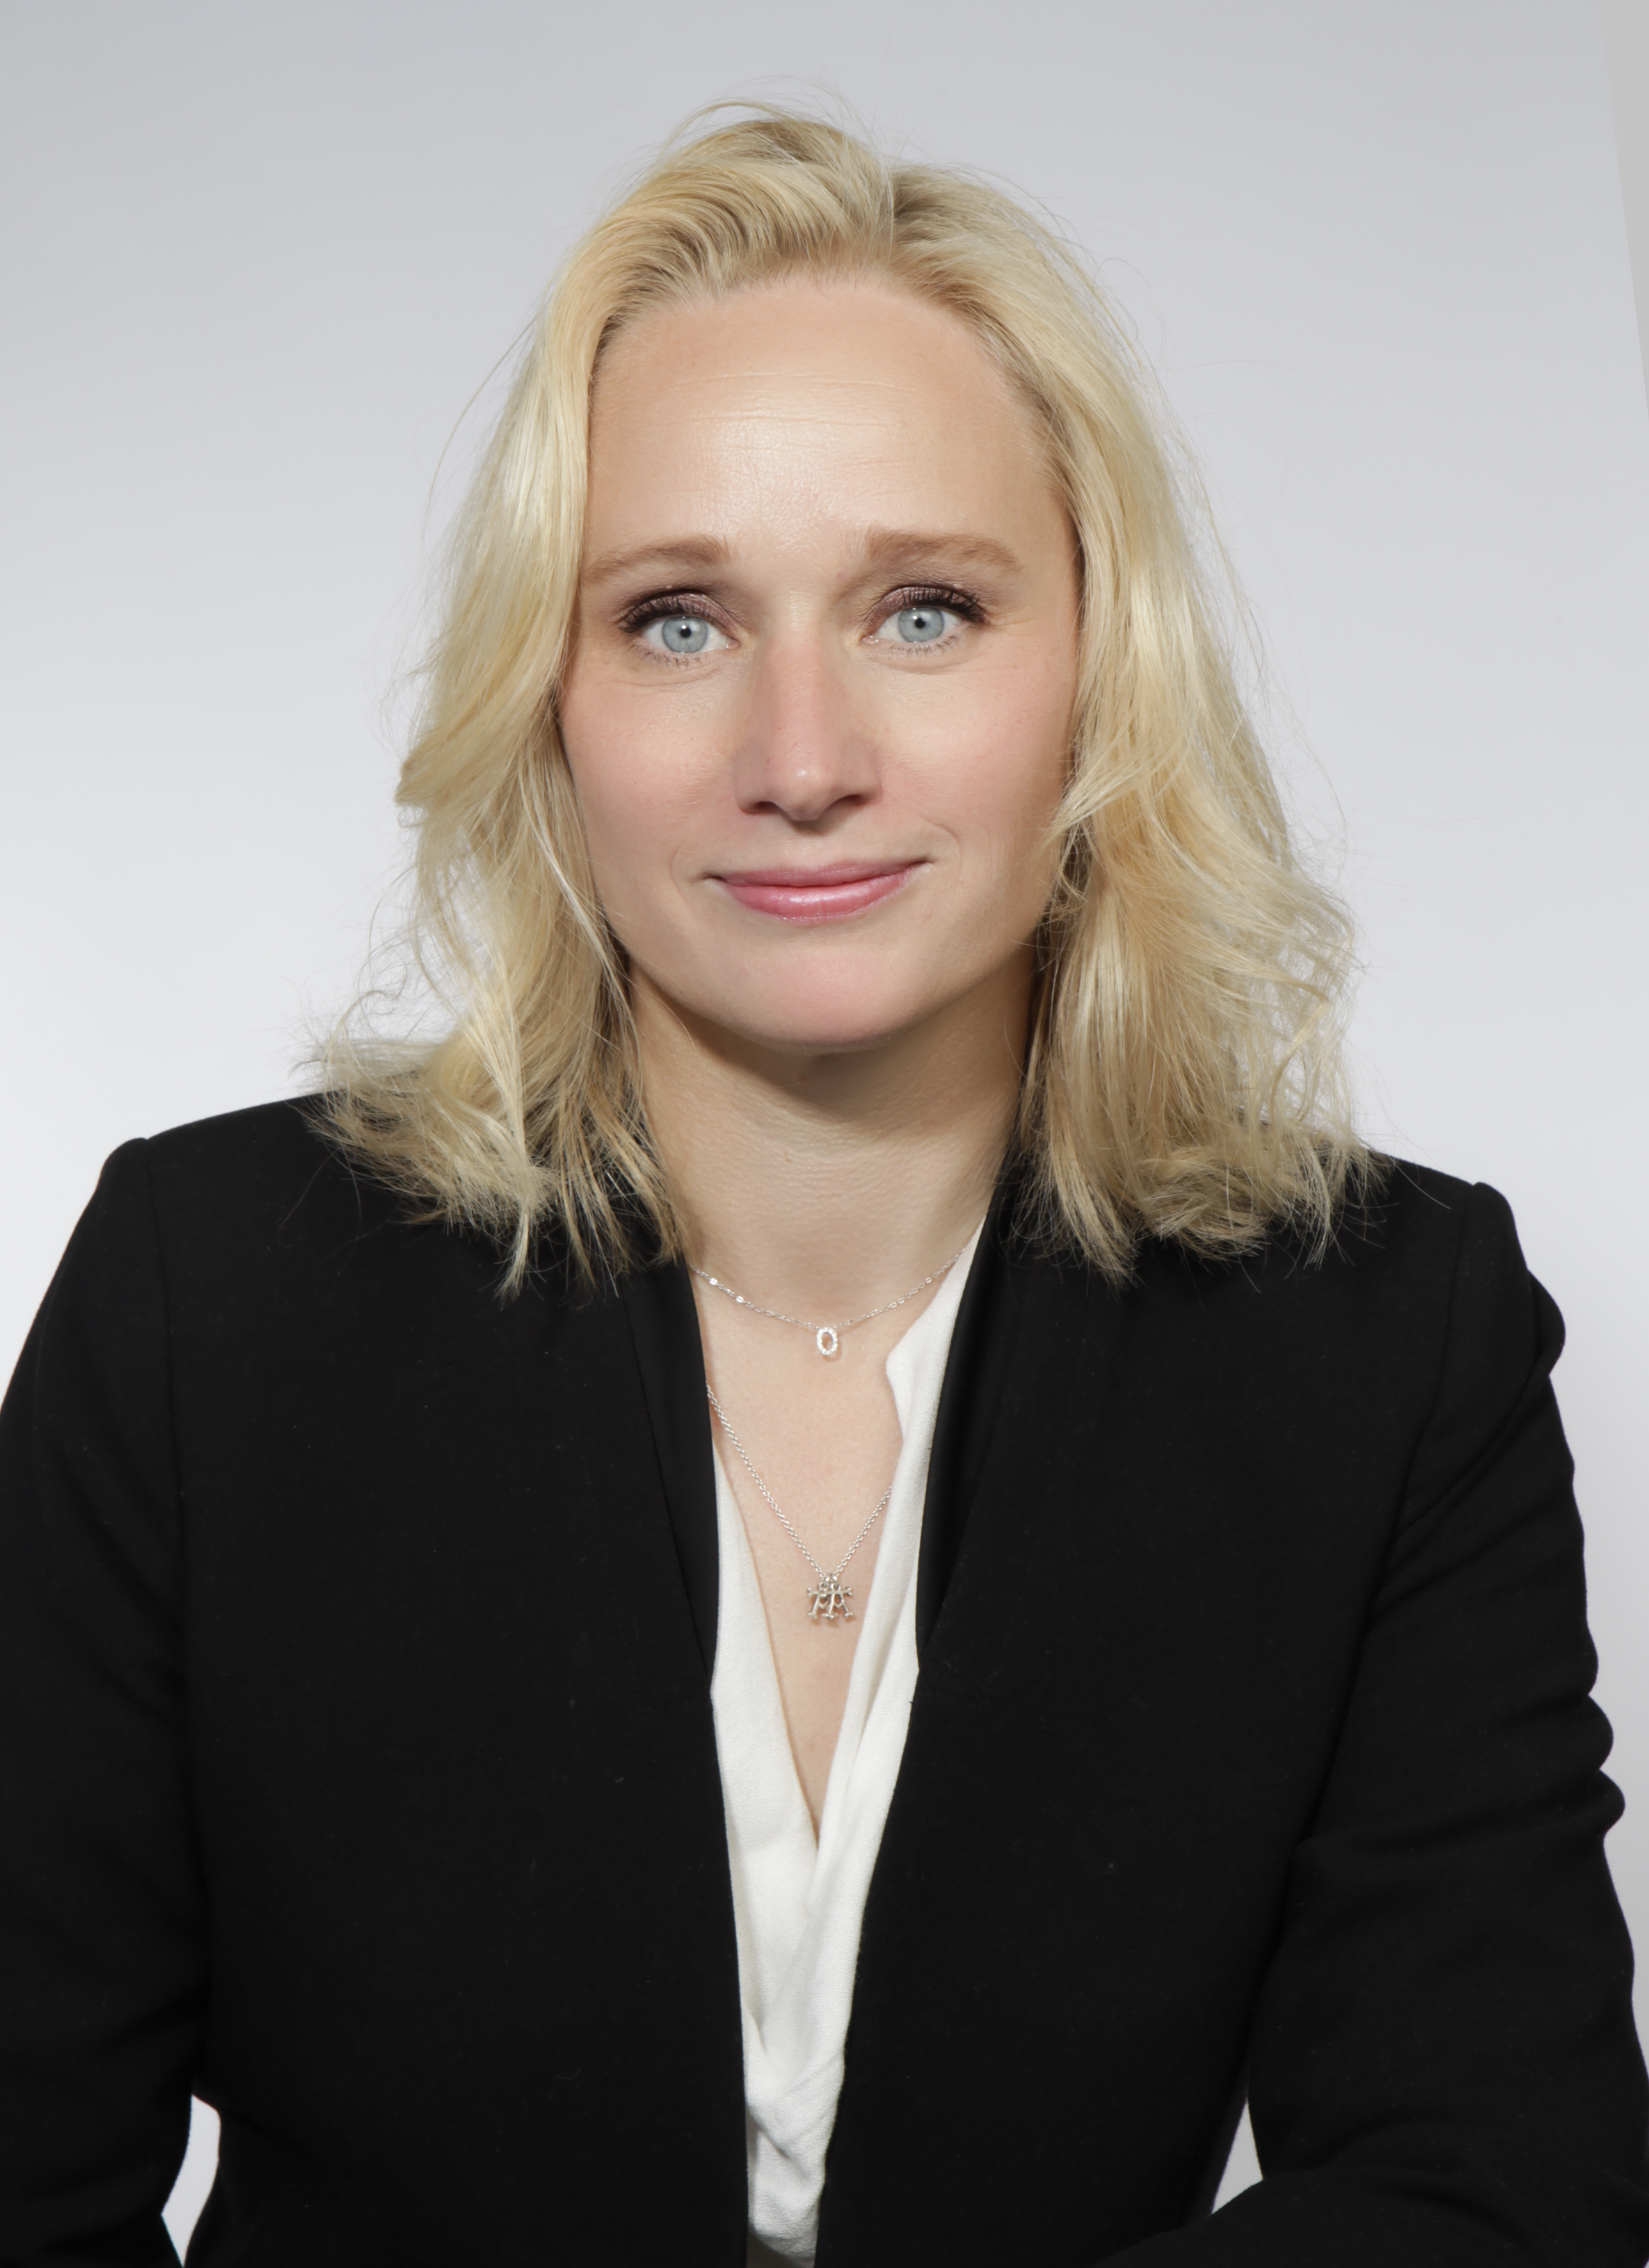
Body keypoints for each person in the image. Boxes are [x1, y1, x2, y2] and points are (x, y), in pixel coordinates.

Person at [1, 104, 1645, 2268]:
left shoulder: (1385, 1336)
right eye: (677, 621)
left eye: (925, 611)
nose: (802, 758)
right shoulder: (209, 1303)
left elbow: (1495, 2194)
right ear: (547, 702)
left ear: (1102, 672)